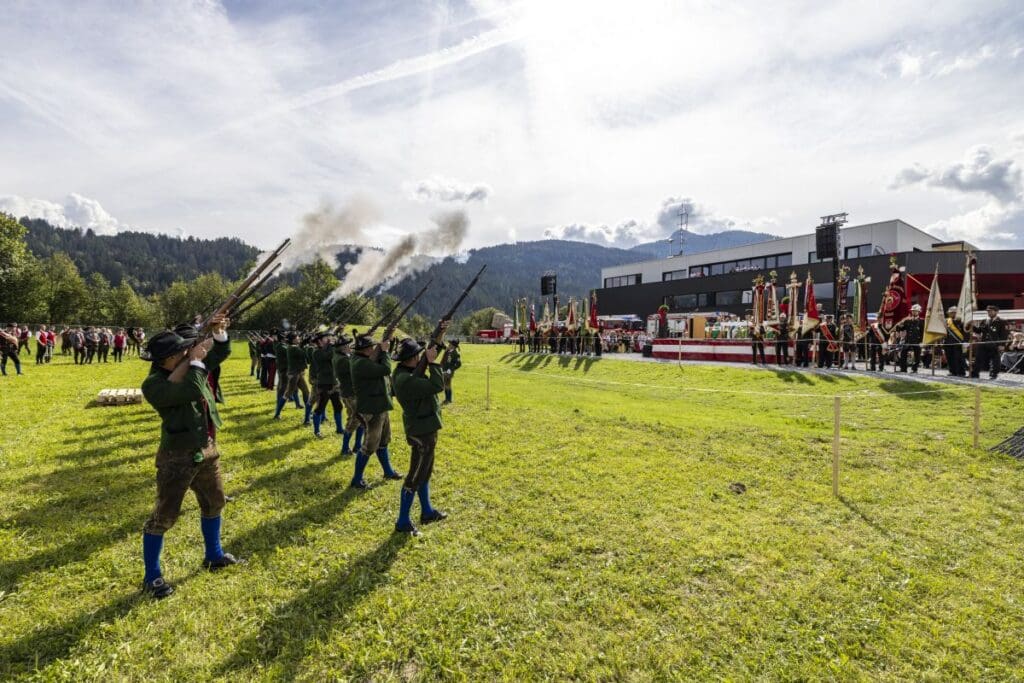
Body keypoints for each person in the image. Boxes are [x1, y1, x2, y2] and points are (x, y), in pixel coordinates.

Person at [138, 315, 241, 599]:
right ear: (169, 358)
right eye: (182, 351)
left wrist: (219, 334)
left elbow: (219, 354)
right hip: (176, 456)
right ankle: (152, 577)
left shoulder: (185, 366)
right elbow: (193, 387)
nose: (188, 352)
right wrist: (194, 361)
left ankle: (214, 555)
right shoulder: (153, 385)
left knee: (214, 502)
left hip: (205, 448)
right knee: (163, 517)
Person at [391, 331, 450, 536]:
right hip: (421, 433)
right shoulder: (405, 380)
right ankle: (403, 521)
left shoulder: (405, 373)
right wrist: (433, 363)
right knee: (414, 477)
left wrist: (439, 335)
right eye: (418, 355)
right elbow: (437, 385)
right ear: (413, 358)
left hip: (425, 429)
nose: (420, 357)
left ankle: (426, 511)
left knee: (424, 473)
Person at [349, 332, 403, 489]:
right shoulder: (361, 363)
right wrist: (384, 351)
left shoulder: (362, 359)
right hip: (372, 408)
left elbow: (379, 363)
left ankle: (388, 471)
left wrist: (387, 343)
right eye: (372, 347)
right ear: (365, 350)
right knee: (370, 445)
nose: (374, 348)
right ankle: (356, 479)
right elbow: (385, 369)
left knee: (384, 441)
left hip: (380, 405)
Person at [332, 332, 364, 455]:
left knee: (357, 419)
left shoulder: (339, 356)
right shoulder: (344, 360)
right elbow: (357, 369)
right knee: (356, 419)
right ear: (344, 347)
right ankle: (345, 448)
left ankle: (357, 445)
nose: (350, 347)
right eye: (348, 345)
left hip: (348, 392)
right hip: (350, 393)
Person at [310, 332, 342, 439]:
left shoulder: (328, 349)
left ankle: (339, 428)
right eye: (325, 338)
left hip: (333, 382)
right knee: (320, 407)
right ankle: (316, 431)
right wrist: (331, 345)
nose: (327, 339)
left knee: (338, 406)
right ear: (319, 341)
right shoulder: (317, 352)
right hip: (324, 383)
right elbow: (328, 356)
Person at [972, 305, 1009, 380]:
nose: (989, 313)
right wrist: (972, 326)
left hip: (995, 343)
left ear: (996, 312)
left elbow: (1004, 334)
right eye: (988, 311)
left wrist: (1002, 344)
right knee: (978, 358)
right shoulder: (984, 321)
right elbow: (979, 331)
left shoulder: (1002, 321)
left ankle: (993, 374)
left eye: (991, 311)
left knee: (995, 360)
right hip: (984, 342)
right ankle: (975, 374)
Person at [285, 332, 312, 424]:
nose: (299, 339)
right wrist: (305, 345)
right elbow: (304, 355)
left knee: (306, 392)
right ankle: (277, 413)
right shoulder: (293, 348)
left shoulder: (293, 347)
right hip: (295, 373)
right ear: (293, 340)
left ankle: (307, 415)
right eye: (297, 338)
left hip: (298, 372)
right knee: (288, 393)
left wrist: (303, 344)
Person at [897, 304, 924, 373]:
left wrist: (922, 341)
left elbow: (923, 332)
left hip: (917, 341)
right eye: (913, 311)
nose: (914, 312)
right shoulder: (907, 320)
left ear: (919, 312)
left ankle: (914, 369)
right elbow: (901, 328)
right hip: (908, 340)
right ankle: (903, 368)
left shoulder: (922, 321)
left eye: (915, 311)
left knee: (917, 356)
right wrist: (900, 325)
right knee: (903, 354)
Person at [944, 306, 967, 376]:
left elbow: (965, 332)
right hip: (948, 342)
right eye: (951, 313)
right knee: (949, 358)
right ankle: (952, 371)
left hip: (958, 342)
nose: (952, 314)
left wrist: (965, 341)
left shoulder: (961, 321)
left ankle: (961, 372)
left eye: (954, 313)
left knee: (959, 358)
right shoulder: (946, 321)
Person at [441, 338, 462, 404]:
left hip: (449, 371)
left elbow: (458, 364)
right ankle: (446, 398)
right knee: (445, 384)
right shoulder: (448, 351)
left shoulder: (456, 353)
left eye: (450, 344)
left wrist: (451, 369)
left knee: (448, 385)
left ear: (453, 346)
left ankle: (449, 399)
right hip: (444, 369)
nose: (449, 345)